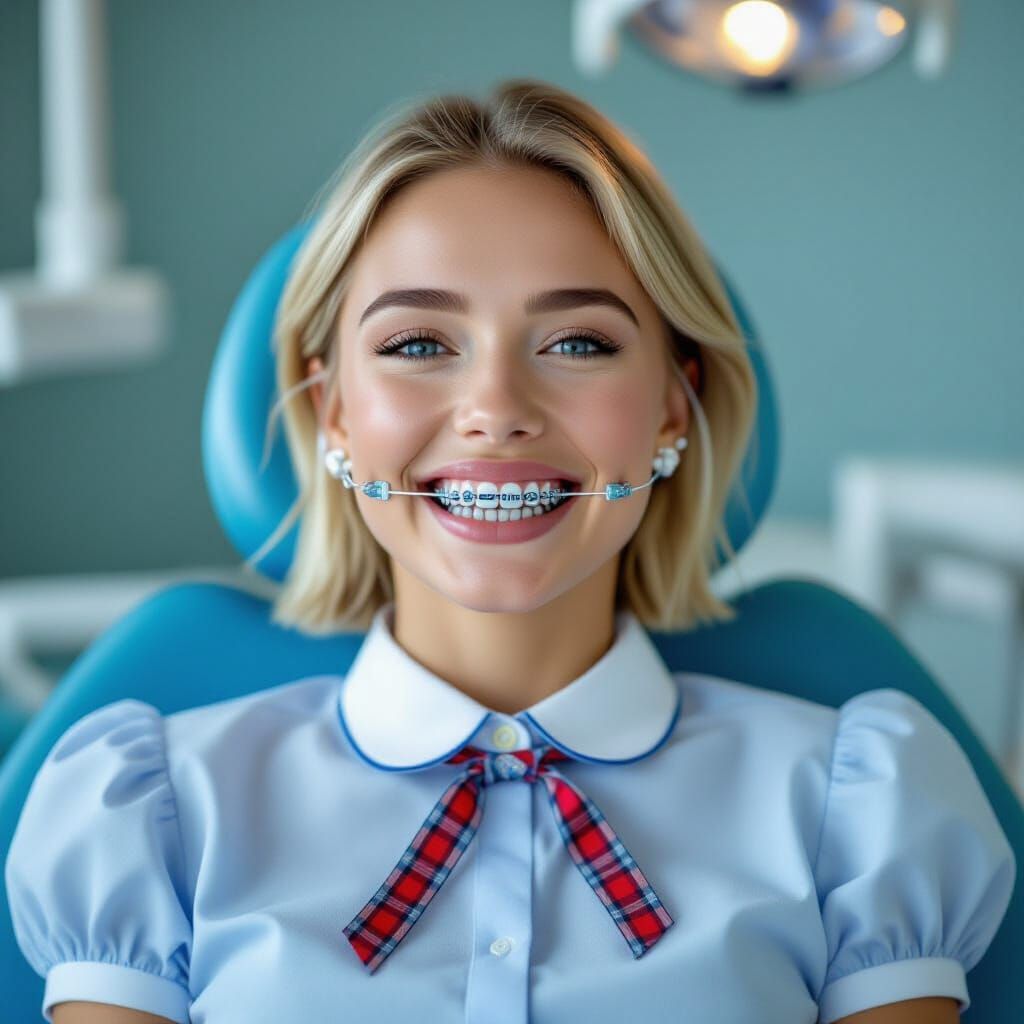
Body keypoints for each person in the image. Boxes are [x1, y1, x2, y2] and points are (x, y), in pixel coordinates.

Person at [5, 78, 1016, 1024]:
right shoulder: (156, 816)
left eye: (576, 343)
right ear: (334, 414)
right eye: (417, 344)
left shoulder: (860, 811)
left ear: (674, 403)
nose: (495, 412)